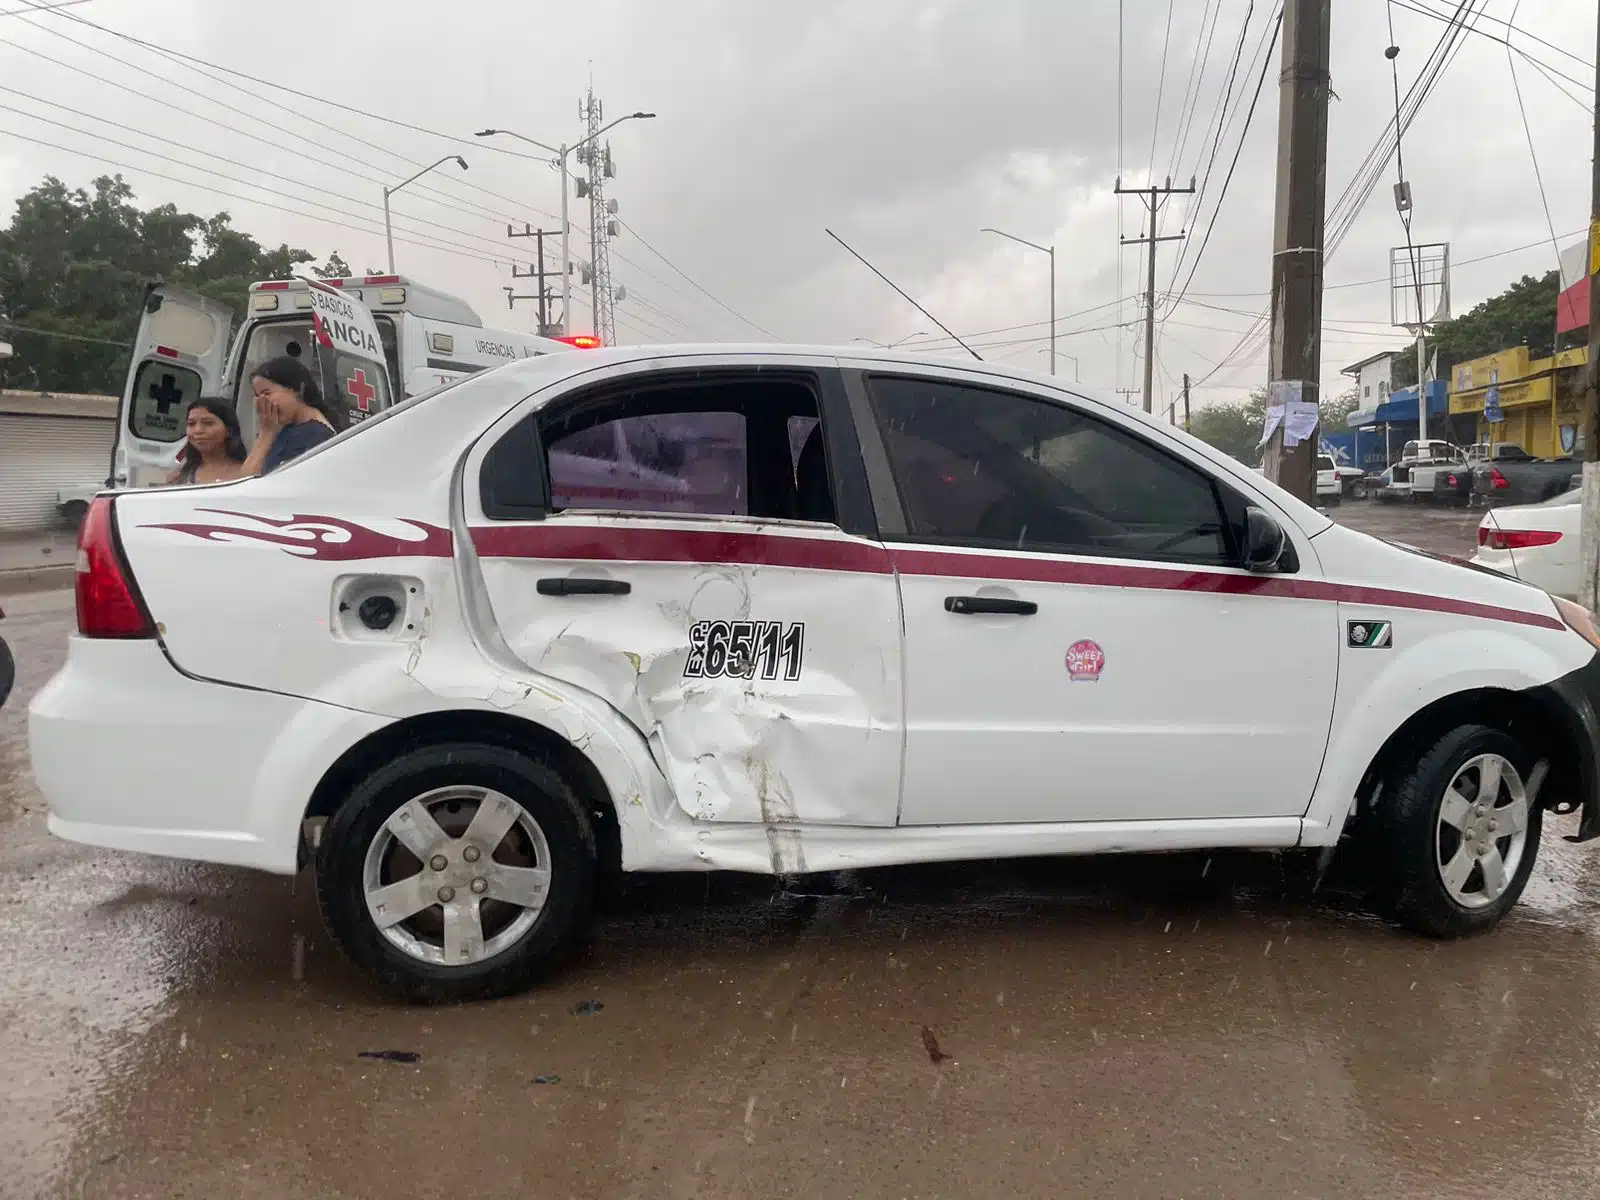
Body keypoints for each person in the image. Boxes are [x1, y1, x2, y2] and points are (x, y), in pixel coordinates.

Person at [242, 355, 346, 476]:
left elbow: (249, 482)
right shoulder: (282, 432)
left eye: (266, 394)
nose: (262, 403)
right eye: (257, 396)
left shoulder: (317, 437)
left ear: (298, 389)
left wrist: (266, 433)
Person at [165, 398, 248, 485]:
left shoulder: (246, 474)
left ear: (229, 430)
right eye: (191, 424)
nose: (198, 430)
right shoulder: (180, 475)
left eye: (208, 423)